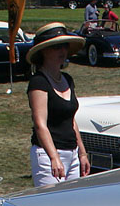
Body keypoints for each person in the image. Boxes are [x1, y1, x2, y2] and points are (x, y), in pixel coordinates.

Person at [25, 23, 90, 186]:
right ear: (44, 51)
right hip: (47, 154)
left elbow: (71, 120)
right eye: (56, 47)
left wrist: (82, 153)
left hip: (72, 153)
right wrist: (54, 157)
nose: (62, 51)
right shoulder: (38, 81)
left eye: (65, 46)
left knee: (72, 205)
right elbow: (40, 124)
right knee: (50, 205)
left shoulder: (67, 79)